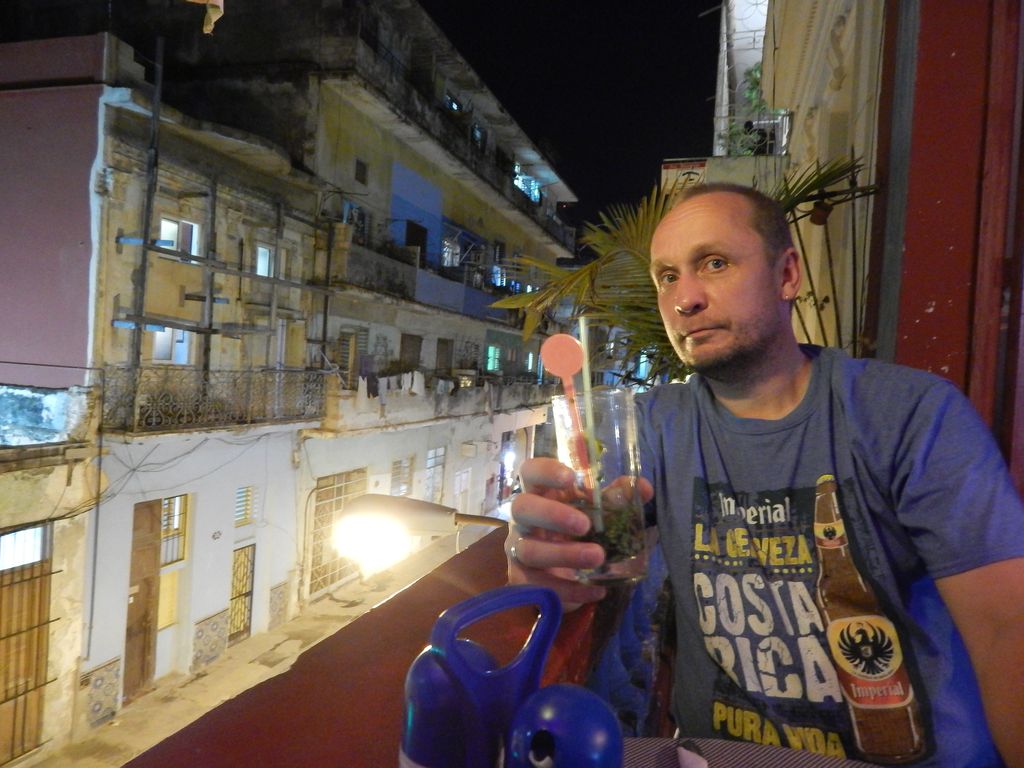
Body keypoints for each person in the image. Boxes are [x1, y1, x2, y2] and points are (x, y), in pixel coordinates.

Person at [506, 183, 1024, 767]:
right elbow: (583, 532)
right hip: (717, 757)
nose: (684, 299)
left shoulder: (908, 416)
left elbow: (1007, 629)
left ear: (787, 275)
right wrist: (545, 555)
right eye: (667, 277)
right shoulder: (652, 424)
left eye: (715, 263)